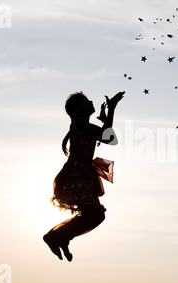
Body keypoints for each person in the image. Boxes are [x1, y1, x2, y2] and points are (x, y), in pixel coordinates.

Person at [43, 91, 125, 261]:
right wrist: (111, 109)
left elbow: (108, 137)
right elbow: (108, 136)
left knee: (93, 215)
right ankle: (56, 237)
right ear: (79, 109)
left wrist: (111, 111)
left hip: (83, 175)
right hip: (75, 176)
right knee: (95, 215)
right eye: (87, 101)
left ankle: (62, 237)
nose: (91, 101)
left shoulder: (81, 123)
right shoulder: (79, 123)